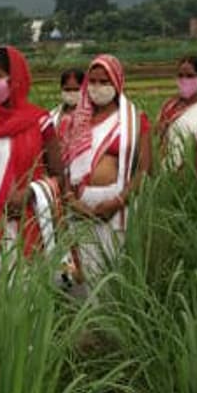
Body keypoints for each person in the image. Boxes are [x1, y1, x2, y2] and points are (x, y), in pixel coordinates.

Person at [0, 47, 64, 278]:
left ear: (15, 78)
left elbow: (59, 176)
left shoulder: (39, 122)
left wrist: (30, 192)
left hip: (29, 224)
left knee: (29, 296)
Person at [64, 54, 152, 283]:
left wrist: (118, 201)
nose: (97, 87)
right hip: (79, 208)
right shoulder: (76, 121)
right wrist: (72, 201)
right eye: (92, 81)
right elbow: (64, 168)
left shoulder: (134, 121)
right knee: (81, 279)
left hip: (117, 207)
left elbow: (144, 170)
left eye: (105, 82)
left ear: (117, 82)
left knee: (113, 277)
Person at [157, 55, 197, 169]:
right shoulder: (169, 107)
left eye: (190, 76)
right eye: (180, 76)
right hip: (167, 173)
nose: (184, 80)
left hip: (194, 172)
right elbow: (158, 142)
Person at [52, 68, 85, 142]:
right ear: (61, 89)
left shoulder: (92, 115)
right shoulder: (54, 114)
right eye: (67, 89)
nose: (71, 93)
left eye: (76, 89)